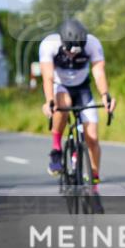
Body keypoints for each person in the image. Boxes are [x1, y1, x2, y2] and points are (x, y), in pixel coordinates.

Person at [39, 18, 115, 183]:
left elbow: (98, 71)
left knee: (92, 137)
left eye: (76, 52)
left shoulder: (92, 43)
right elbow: (47, 77)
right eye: (69, 51)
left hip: (82, 88)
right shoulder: (49, 45)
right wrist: (50, 101)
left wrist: (105, 95)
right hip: (60, 86)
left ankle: (94, 178)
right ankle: (56, 149)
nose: (72, 55)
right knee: (63, 104)